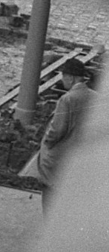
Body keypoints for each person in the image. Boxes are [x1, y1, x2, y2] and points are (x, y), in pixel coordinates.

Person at [22, 58, 96, 205]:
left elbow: (57, 130)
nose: (62, 80)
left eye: (63, 76)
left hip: (59, 157)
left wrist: (47, 143)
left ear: (71, 77)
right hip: (81, 154)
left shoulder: (67, 99)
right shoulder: (95, 97)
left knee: (50, 194)